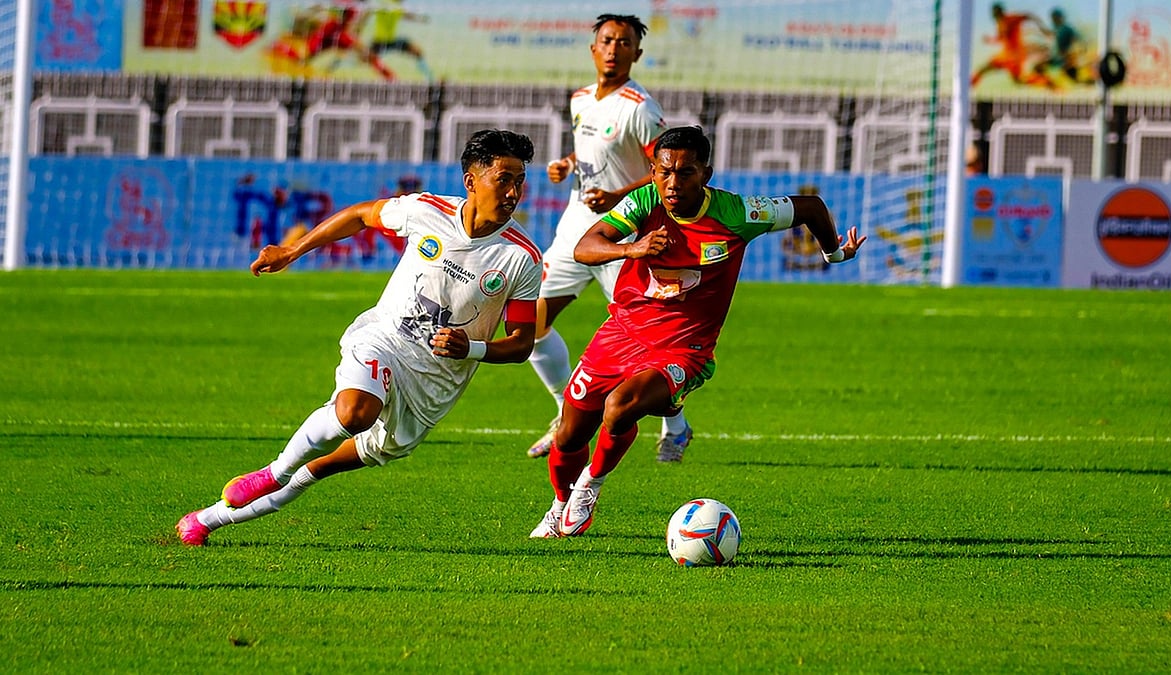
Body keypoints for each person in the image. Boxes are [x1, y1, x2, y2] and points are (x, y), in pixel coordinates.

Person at [176, 129, 542, 546]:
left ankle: (205, 520)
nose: (514, 192)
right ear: (471, 181)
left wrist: (471, 347)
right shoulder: (426, 210)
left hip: (431, 389)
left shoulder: (522, 258)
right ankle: (271, 472)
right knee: (353, 413)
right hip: (385, 340)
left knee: (314, 471)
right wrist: (293, 252)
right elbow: (360, 215)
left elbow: (521, 343)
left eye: (520, 181)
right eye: (504, 179)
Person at [528, 126, 866, 538]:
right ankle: (559, 503)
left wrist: (834, 254)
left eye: (685, 173)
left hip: (683, 348)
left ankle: (590, 486)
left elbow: (811, 206)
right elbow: (586, 245)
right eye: (664, 172)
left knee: (619, 407)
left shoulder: (739, 213)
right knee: (569, 433)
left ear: (706, 173)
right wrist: (630, 249)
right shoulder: (643, 201)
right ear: (653, 172)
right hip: (622, 332)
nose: (673, 183)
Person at [527, 13, 695, 463]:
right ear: (593, 47)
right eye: (607, 40)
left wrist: (619, 196)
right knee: (529, 323)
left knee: (651, 342)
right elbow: (592, 148)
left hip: (625, 236)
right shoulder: (580, 99)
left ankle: (676, 426)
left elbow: (666, 170)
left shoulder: (640, 108)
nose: (614, 48)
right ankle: (566, 411)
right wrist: (566, 163)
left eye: (624, 42)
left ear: (636, 53)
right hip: (574, 231)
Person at [971, 2, 1054, 89]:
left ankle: (967, 86)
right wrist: (990, 40)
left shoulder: (1012, 18)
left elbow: (1028, 15)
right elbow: (1001, 38)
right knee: (1018, 81)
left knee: (983, 69)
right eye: (993, 13)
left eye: (995, 12)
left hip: (1014, 56)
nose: (993, 15)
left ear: (1000, 11)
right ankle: (1045, 81)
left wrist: (1043, 28)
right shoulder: (1000, 23)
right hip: (1008, 55)